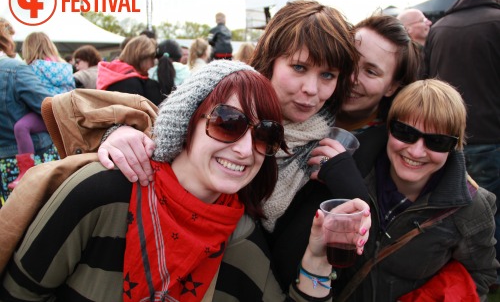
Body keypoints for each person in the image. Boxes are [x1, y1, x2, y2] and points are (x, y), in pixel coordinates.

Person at [0, 60, 371, 302]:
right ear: (187, 122)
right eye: (228, 122)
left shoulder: (239, 234)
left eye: (264, 133)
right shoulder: (103, 191)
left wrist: (317, 260)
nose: (245, 149)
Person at [84, 0, 362, 292]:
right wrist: (116, 132)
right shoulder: (217, 100)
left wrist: (353, 191)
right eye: (299, 67)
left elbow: (342, 266)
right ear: (270, 60)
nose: (311, 88)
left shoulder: (331, 156)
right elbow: (154, 129)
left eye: (327, 75)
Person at [318, 79, 498, 301]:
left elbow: (480, 275)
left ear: (454, 146)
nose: (416, 151)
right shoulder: (353, 172)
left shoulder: (471, 208)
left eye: (437, 142)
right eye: (405, 132)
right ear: (389, 128)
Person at [424, 0, 500, 285]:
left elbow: (425, 78)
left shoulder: (440, 27)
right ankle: (488, 271)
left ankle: (458, 268)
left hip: (446, 135)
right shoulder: (496, 22)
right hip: (489, 133)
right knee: (487, 207)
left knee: (454, 204)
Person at [6, 32, 74, 191]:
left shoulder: (32, 68)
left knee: (21, 127)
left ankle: (25, 171)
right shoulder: (64, 66)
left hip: (48, 112)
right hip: (63, 111)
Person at [335, 14, 420, 134]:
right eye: (349, 61)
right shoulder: (304, 104)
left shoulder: (394, 145)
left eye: (370, 72)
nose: (351, 78)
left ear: (392, 87)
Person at [0, 23, 55, 202]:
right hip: (29, 158)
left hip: (7, 161)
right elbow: (48, 107)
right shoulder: (13, 69)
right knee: (39, 219)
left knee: (11, 222)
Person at [96, 35, 163, 105]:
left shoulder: (112, 73)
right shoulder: (132, 83)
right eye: (152, 57)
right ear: (143, 57)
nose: (153, 62)